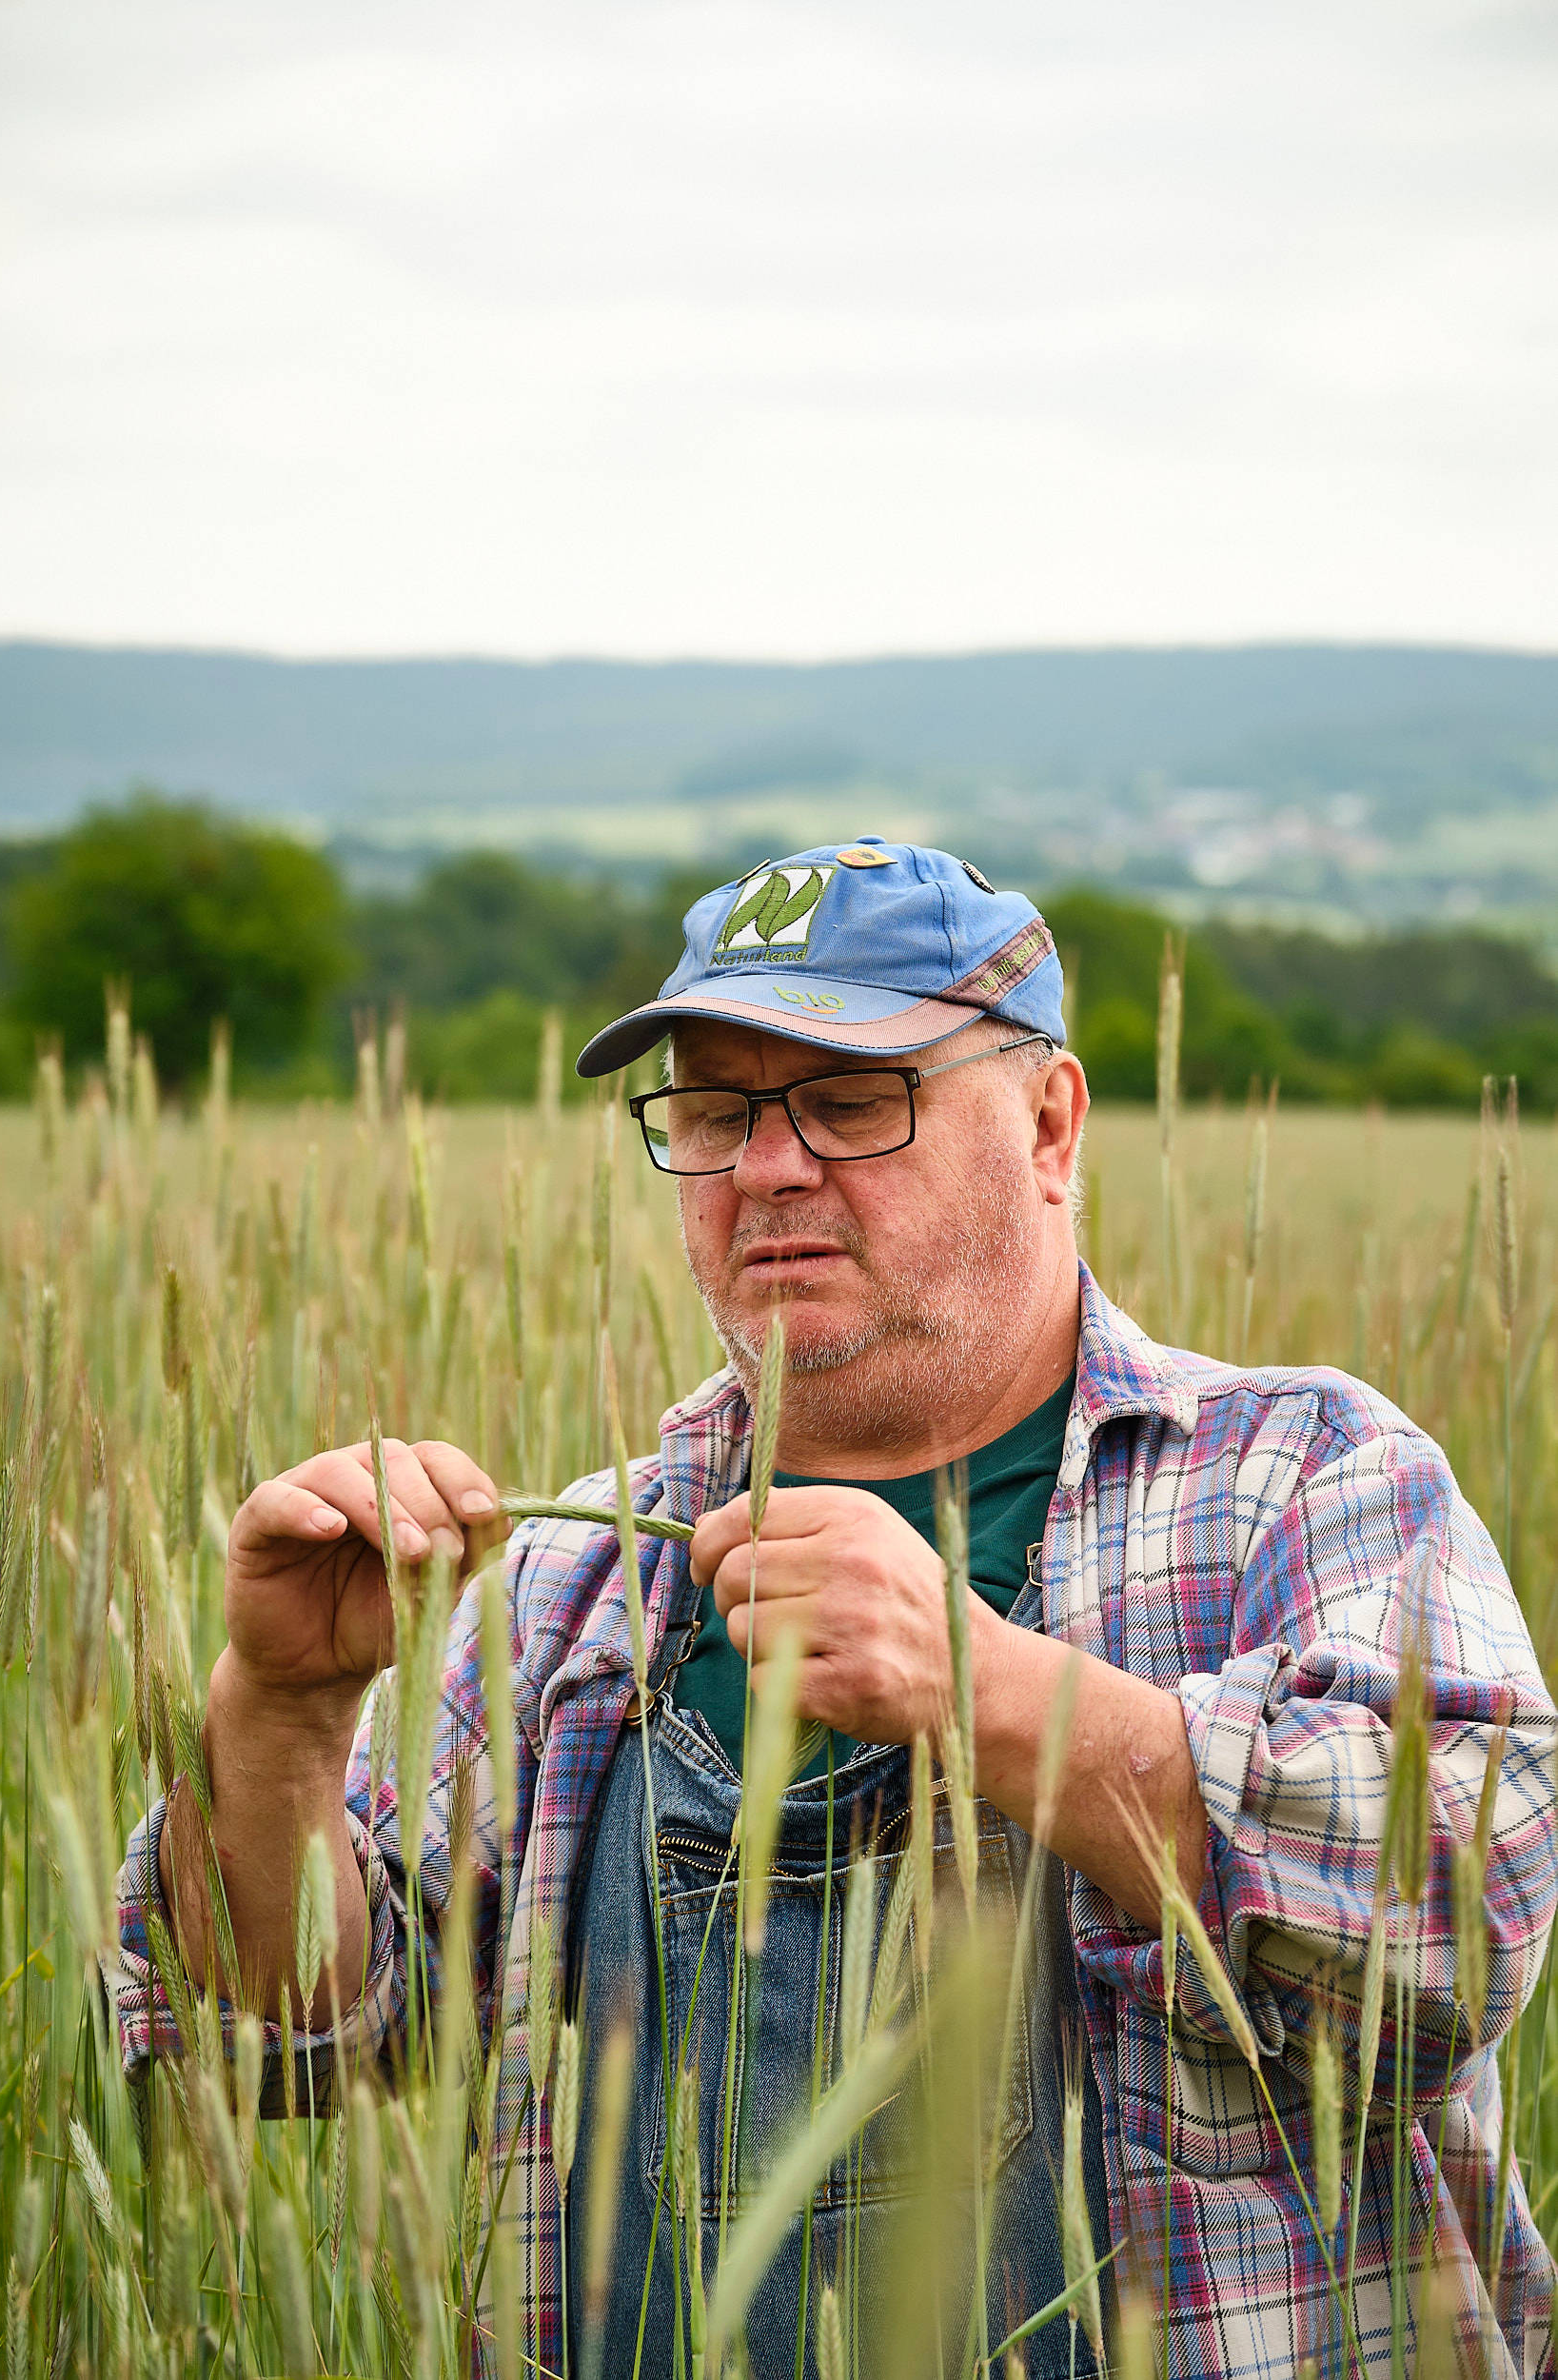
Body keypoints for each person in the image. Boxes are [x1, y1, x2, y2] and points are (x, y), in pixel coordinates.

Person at [119, 837, 1557, 2378]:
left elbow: (1465, 1916)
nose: (766, 1166)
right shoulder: (574, 1580)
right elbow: (279, 2038)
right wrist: (277, 1718)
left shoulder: (1298, 1477)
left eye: (850, 1099)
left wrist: (990, 1692)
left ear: (1052, 1123)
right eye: (719, 1112)